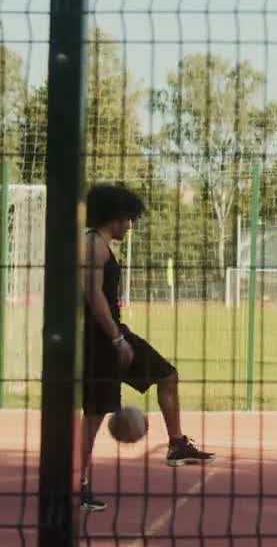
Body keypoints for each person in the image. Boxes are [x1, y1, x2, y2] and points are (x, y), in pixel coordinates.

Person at [79, 184, 213, 512]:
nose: (130, 224)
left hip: (114, 334)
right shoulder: (93, 244)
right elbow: (93, 297)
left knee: (167, 375)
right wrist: (116, 338)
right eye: (127, 218)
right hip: (101, 340)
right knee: (95, 416)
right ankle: (75, 483)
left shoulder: (102, 245)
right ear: (112, 216)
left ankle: (177, 445)